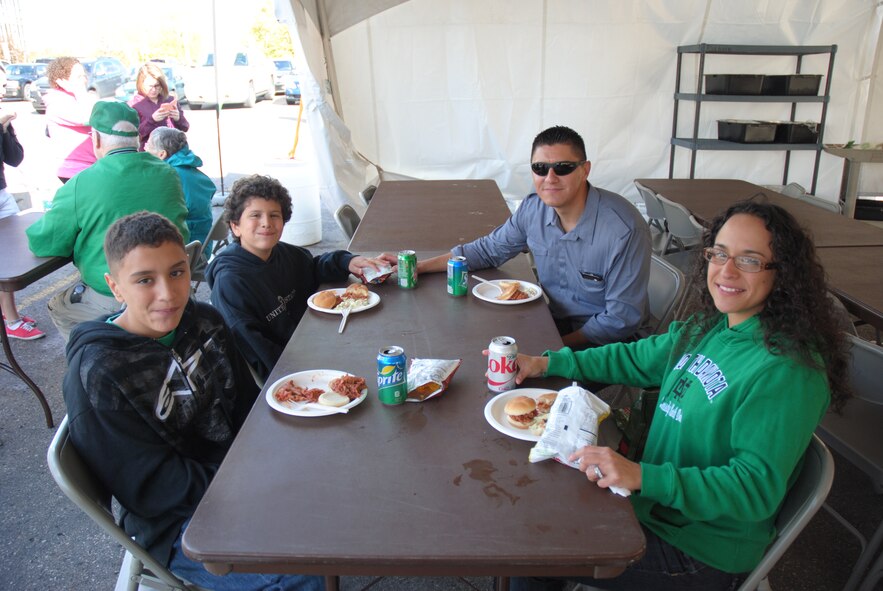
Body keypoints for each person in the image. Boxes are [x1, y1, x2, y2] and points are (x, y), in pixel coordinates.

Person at [510, 201, 850, 590]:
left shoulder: (788, 371)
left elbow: (753, 488)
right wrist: (547, 363)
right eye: (719, 253)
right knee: (536, 505)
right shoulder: (714, 325)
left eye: (750, 260)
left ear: (783, 273)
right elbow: (635, 358)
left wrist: (643, 476)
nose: (727, 270)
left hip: (698, 550)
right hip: (653, 505)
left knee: (532, 552)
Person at [62, 211, 323, 591]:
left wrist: (280, 463)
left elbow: (248, 408)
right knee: (302, 571)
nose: (167, 294)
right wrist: (260, 484)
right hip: (178, 523)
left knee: (336, 504)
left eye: (177, 272)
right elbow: (152, 488)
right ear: (115, 287)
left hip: (240, 476)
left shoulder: (205, 321)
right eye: (144, 280)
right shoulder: (100, 373)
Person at [416, 125, 651, 349]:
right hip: (553, 322)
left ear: (585, 170)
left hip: (607, 344)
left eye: (563, 167)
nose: (549, 177)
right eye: (539, 168)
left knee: (507, 373)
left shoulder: (623, 230)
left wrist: (551, 347)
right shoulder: (533, 210)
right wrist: (417, 267)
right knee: (471, 339)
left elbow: (620, 321)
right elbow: (488, 250)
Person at [206, 174, 397, 380]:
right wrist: (305, 377)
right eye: (255, 215)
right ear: (235, 226)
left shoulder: (285, 253)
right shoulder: (231, 283)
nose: (266, 223)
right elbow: (257, 350)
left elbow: (314, 267)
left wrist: (346, 261)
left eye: (274, 215)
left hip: (317, 342)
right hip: (292, 371)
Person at [27, 101, 188, 342]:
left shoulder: (82, 182)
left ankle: (92, 357)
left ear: (96, 140)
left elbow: (44, 242)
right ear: (137, 137)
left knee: (58, 306)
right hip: (171, 280)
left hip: (118, 295)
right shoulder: (168, 172)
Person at [0, 63, 45, 340]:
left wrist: (5, 130)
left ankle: (10, 315)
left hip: (2, 192)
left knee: (9, 255)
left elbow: (14, 158)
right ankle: (12, 320)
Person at [146, 127, 214, 244]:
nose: (144, 148)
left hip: (186, 247)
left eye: (148, 145)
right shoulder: (191, 170)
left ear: (162, 154)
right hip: (202, 245)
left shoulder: (170, 176)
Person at [44, 57, 97, 183]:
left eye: (84, 75)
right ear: (61, 81)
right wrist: (80, 91)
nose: (84, 80)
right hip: (74, 169)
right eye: (79, 77)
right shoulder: (57, 102)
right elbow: (90, 117)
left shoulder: (78, 98)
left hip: (91, 164)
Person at [128, 62, 189, 150]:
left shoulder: (170, 100)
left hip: (174, 152)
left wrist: (178, 119)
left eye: (157, 86)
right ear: (141, 84)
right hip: (150, 156)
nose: (154, 90)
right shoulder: (133, 105)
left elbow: (185, 127)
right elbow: (133, 136)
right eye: (150, 86)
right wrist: (152, 120)